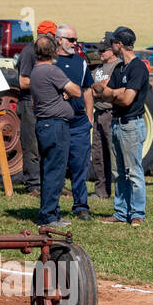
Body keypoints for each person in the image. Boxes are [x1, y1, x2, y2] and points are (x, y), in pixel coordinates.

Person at [92, 26, 149, 226]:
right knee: (119, 172)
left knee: (133, 171)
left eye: (113, 42)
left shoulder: (137, 68)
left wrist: (113, 93)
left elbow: (126, 100)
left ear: (120, 44)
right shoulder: (119, 68)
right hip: (117, 123)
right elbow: (99, 91)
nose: (110, 45)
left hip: (131, 125)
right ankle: (120, 212)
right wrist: (115, 93)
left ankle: (137, 214)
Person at [30, 34, 80, 228]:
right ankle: (49, 216)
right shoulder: (52, 71)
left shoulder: (35, 72)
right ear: (52, 51)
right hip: (56, 126)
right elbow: (76, 90)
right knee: (55, 172)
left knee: (48, 170)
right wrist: (66, 91)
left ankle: (50, 212)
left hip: (44, 124)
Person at [55, 24, 94, 220]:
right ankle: (52, 208)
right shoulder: (50, 62)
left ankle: (81, 206)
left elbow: (87, 90)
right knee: (56, 169)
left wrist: (89, 117)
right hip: (58, 123)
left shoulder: (81, 62)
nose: (75, 43)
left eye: (76, 39)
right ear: (59, 40)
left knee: (80, 166)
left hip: (79, 124)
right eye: (71, 40)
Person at [16, 20, 59, 194]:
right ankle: (33, 184)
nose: (55, 40)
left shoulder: (49, 53)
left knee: (48, 144)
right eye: (54, 36)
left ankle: (50, 183)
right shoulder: (28, 52)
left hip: (45, 104)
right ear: (47, 35)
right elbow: (23, 81)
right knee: (32, 145)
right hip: (29, 103)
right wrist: (45, 81)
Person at [89, 34, 117, 200]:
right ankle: (101, 191)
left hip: (111, 113)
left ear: (111, 50)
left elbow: (106, 88)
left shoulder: (117, 66)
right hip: (98, 113)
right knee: (98, 154)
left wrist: (98, 88)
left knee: (114, 153)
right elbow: (91, 90)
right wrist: (99, 87)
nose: (100, 53)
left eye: (103, 50)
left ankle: (119, 190)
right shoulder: (98, 69)